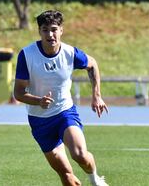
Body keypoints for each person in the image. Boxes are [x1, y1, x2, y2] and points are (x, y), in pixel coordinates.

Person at [14, 10, 109, 186]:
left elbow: (92, 64)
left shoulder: (70, 53)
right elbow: (18, 93)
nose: (50, 34)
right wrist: (38, 101)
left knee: (79, 154)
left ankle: (94, 178)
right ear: (39, 31)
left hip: (65, 113)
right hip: (39, 120)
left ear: (61, 30)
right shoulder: (27, 55)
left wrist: (97, 96)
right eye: (45, 30)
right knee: (66, 176)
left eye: (54, 29)